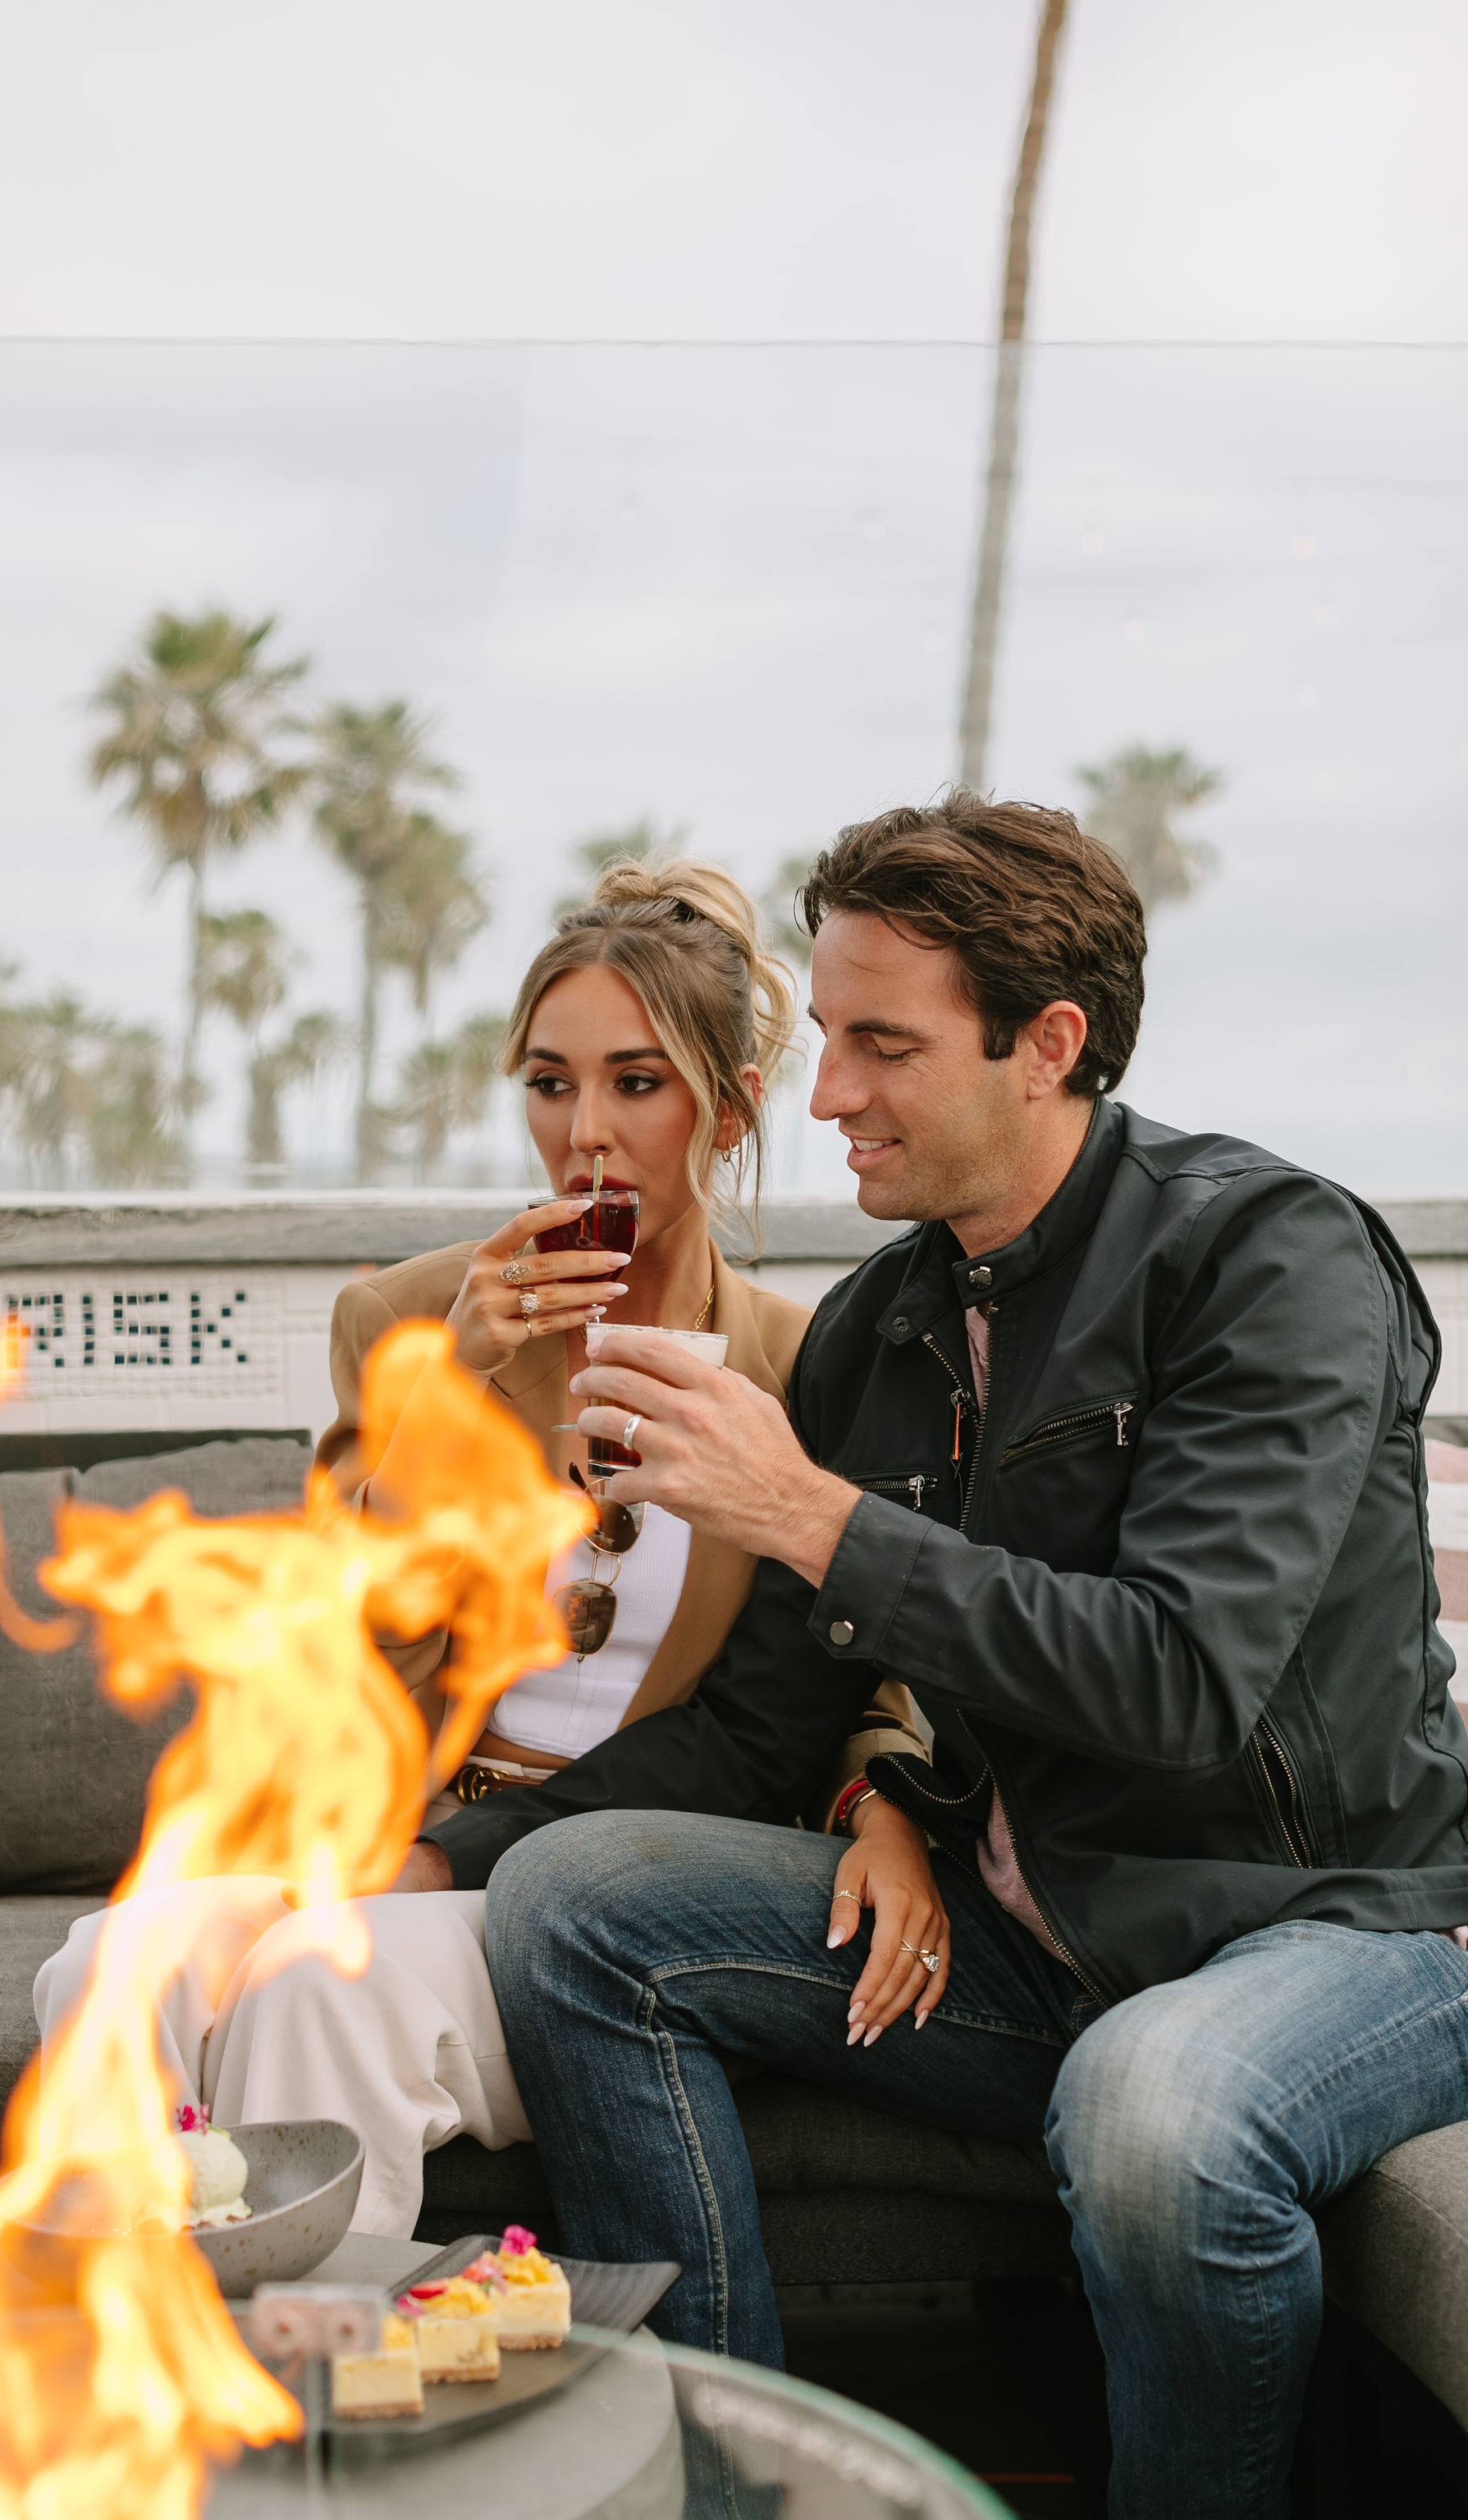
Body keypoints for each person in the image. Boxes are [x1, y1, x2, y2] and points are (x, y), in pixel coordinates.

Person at [472, 794, 1467, 2520]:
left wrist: (805, 1512)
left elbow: (1179, 1680)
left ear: (1046, 1046)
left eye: (879, 1045)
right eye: (829, 1036)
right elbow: (754, 1737)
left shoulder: (1269, 1259)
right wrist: (414, 1848)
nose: (826, 1090)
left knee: (1154, 2105)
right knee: (576, 1902)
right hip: (1043, 1939)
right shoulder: (889, 1322)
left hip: (1337, 1924)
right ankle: (736, 2493)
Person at [34, 856, 926, 2235]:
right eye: (549, 1081)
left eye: (638, 1083)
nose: (585, 1132)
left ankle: (307, 2399)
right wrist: (436, 1402)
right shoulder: (406, 1319)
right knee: (113, 1966)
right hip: (392, 1823)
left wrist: (886, 1808)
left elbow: (861, 1669)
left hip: (610, 1869)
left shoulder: (809, 1369)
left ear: (734, 1109)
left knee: (318, 1993)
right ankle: (128, 2375)